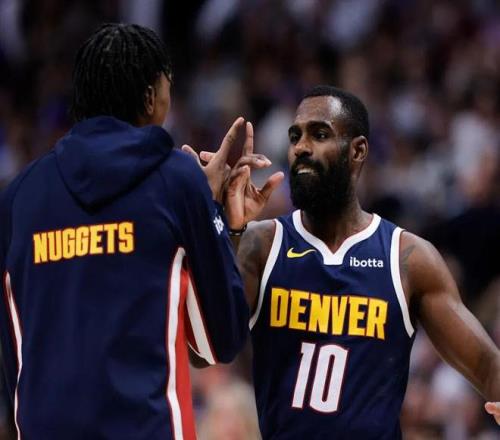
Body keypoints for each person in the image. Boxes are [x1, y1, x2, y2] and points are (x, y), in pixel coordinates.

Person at [191, 85, 500, 439]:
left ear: (358, 151)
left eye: (319, 134)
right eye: (295, 136)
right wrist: (224, 227)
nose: (301, 147)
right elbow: (203, 353)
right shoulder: (260, 244)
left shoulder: (407, 258)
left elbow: (487, 364)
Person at [0, 23, 251, 439]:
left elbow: (14, 364)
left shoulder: (17, 199)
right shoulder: (178, 181)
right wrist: (220, 218)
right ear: (151, 98)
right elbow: (219, 342)